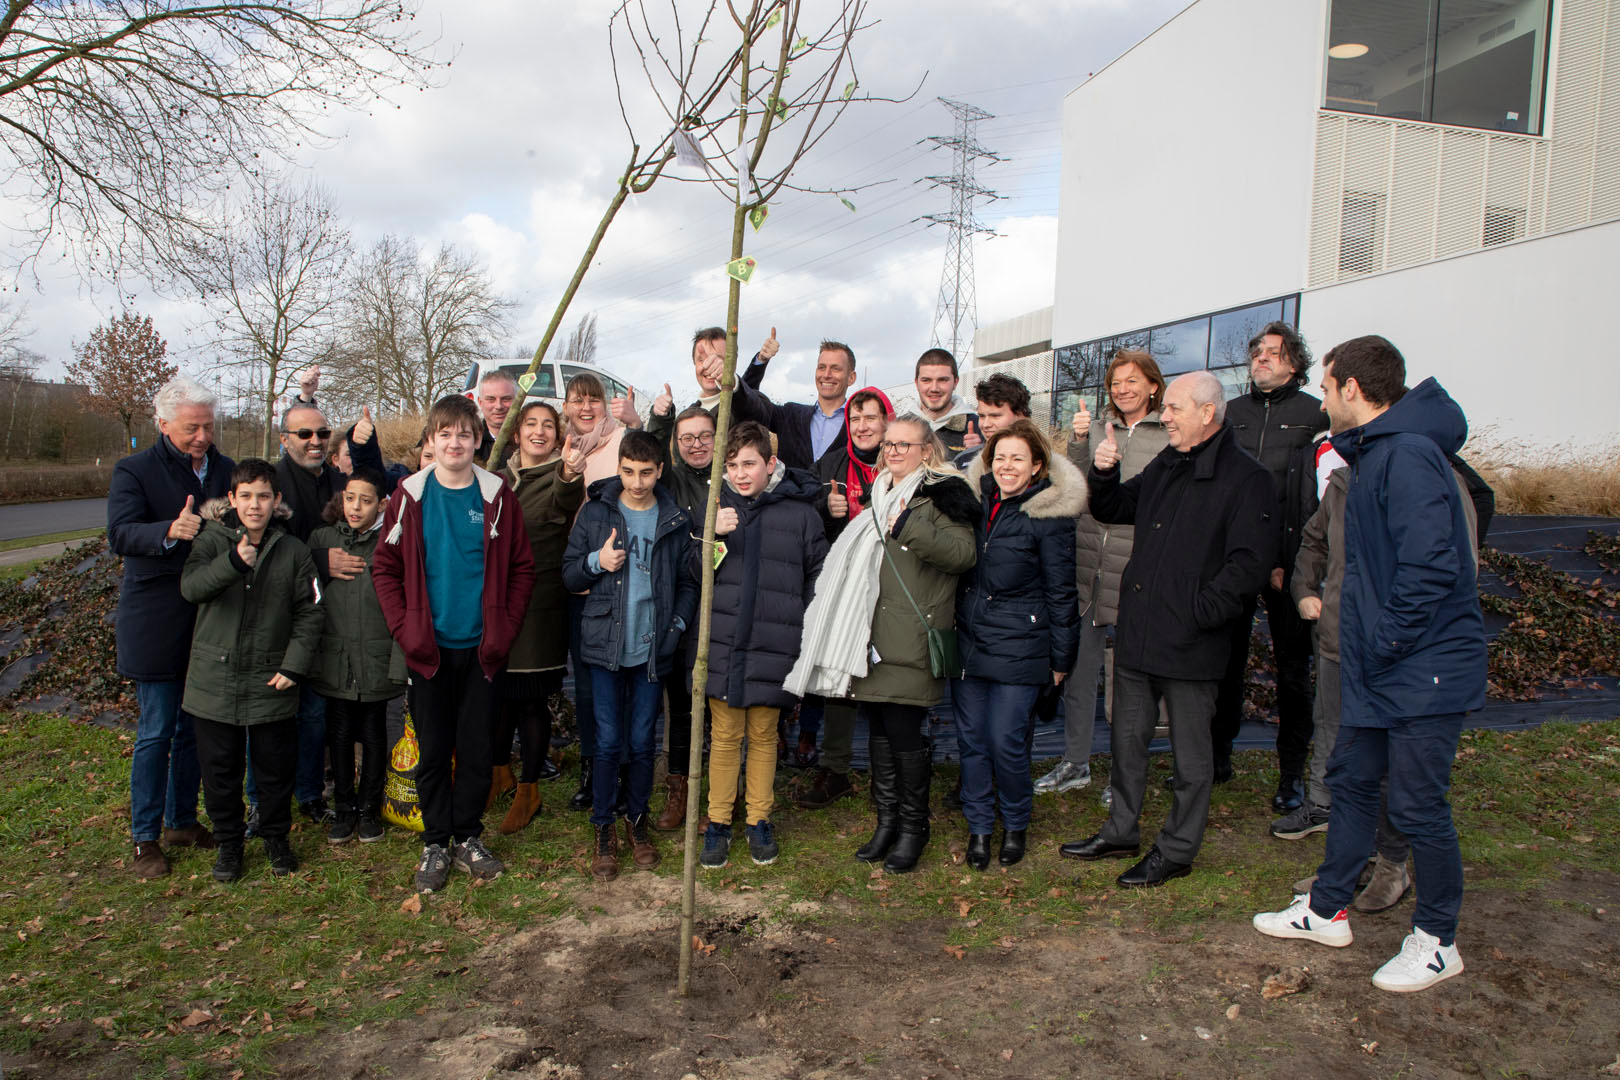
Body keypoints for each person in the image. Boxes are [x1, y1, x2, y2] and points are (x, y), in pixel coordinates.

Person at [1254, 337, 1486, 994]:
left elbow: (1432, 567)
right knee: (1352, 782)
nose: (1323, 400)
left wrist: (1381, 643)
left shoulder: (1407, 456)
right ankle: (1327, 911)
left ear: (1353, 389)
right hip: (1379, 666)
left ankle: (1438, 940)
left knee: (1417, 806)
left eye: (1326, 388)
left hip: (1420, 668)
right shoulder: (1378, 454)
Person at [1059, 371, 1275, 888]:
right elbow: (1113, 509)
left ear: (1207, 413)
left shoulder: (1248, 479)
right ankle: (1121, 830)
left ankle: (1177, 848)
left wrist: (1200, 613)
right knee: (1127, 740)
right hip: (1139, 632)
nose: (1166, 416)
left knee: (1191, 755)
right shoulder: (1168, 464)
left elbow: (1248, 566)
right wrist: (1104, 473)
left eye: (1175, 407)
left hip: (1193, 641)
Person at [786, 414, 978, 873]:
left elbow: (963, 555)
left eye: (903, 445)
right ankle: (887, 821)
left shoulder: (945, 494)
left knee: (905, 733)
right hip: (870, 635)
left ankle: (915, 828)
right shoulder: (880, 495)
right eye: (888, 444)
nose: (892, 452)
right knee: (878, 732)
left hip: (912, 632)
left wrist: (909, 524)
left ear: (926, 451)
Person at [373, 393, 536, 893]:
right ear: (431, 441)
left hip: (483, 651)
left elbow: (522, 568)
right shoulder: (408, 496)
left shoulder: (497, 496)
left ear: (478, 439)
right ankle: (436, 842)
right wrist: (406, 630)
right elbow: (385, 567)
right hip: (428, 651)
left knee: (477, 747)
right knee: (434, 748)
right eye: (445, 434)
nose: (455, 442)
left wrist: (503, 632)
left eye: (464, 433)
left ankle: (467, 836)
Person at [108, 376, 235, 878]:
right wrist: (167, 530)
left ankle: (182, 820)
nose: (202, 436)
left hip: (210, 618)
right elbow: (119, 532)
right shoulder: (134, 470)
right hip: (157, 618)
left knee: (192, 729)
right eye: (191, 428)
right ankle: (145, 837)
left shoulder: (224, 470)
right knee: (157, 729)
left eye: (207, 426)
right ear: (162, 425)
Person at [562, 430, 699, 882]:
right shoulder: (598, 510)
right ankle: (603, 827)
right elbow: (567, 573)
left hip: (651, 649)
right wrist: (597, 562)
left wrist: (676, 628)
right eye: (627, 472)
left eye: (645, 472)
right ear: (617, 468)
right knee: (605, 741)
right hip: (604, 645)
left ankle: (636, 821)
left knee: (641, 741)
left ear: (660, 471)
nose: (636, 482)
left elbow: (686, 582)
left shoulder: (673, 519)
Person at [180, 458, 323, 881]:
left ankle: (277, 837)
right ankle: (229, 844)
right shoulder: (210, 541)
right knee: (220, 771)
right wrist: (235, 563)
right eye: (246, 496)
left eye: (263, 496)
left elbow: (311, 612)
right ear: (232, 499)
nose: (255, 505)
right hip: (214, 680)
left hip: (270, 680)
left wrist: (293, 666)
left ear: (276, 501)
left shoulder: (293, 551)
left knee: (274, 769)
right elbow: (192, 588)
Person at [696, 422, 828, 869]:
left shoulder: (800, 514)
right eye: (731, 465)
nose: (739, 474)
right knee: (727, 736)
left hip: (775, 643)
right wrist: (712, 537)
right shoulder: (714, 508)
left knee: (765, 735)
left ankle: (758, 819)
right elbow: (695, 575)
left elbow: (818, 575)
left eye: (748, 464)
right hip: (725, 642)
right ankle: (717, 822)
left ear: (771, 464)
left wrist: (802, 626)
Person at [1038, 351, 1170, 797]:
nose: (1122, 389)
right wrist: (1078, 445)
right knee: (1077, 670)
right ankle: (1076, 761)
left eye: (1132, 381)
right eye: (1115, 382)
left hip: (1135, 570)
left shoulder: (1169, 436)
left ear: (1153, 385)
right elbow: (1075, 486)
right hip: (1088, 566)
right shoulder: (1096, 428)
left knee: (1128, 682)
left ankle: (1124, 772)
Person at [954, 420, 1082, 869]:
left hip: (1021, 645)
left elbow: (1062, 592)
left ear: (1037, 466)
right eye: (1000, 457)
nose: (1007, 466)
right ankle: (980, 828)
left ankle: (1015, 823)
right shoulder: (972, 503)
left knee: (1005, 740)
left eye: (1018, 459)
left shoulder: (1049, 516)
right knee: (971, 740)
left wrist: (1062, 658)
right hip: (970, 643)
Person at [1216, 322, 1329, 807]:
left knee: (1291, 670)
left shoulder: (1315, 415)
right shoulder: (1230, 413)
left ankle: (1291, 775)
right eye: (1256, 353)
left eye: (1272, 353)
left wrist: (1295, 564)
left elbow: (1322, 498)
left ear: (1294, 363)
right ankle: (1217, 755)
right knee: (1224, 662)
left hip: (1290, 561)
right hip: (1234, 557)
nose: (1261, 359)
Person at [274, 398, 386, 825]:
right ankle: (298, 799)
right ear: (285, 440)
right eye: (304, 434)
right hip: (304, 625)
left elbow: (374, 478)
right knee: (304, 719)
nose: (315, 440)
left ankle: (320, 797)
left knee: (328, 721)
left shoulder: (334, 479)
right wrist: (320, 561)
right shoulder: (280, 483)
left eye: (322, 433)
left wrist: (365, 443)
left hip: (355, 641)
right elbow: (279, 555)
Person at [490, 402, 586, 833]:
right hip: (494, 603)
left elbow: (567, 495)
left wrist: (569, 472)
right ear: (516, 433)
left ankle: (530, 789)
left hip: (539, 605)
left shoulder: (557, 475)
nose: (540, 431)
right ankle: (499, 773)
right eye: (531, 424)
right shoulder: (496, 477)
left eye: (549, 425)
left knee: (529, 697)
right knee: (499, 695)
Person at [307, 467, 406, 844]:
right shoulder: (323, 538)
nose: (355, 507)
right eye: (350, 498)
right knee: (341, 733)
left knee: (374, 732)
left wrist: (399, 662)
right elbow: (301, 586)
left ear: (381, 505)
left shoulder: (391, 540)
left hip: (377, 657)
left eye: (365, 501)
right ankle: (344, 808)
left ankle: (369, 808)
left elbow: (404, 600)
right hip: (336, 658)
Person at [560, 371, 630, 811]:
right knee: (584, 685)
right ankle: (590, 764)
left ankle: (619, 764)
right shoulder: (559, 447)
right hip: (576, 579)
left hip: (615, 577)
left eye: (594, 400)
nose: (586, 408)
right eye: (577, 400)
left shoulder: (621, 440)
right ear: (565, 406)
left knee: (618, 680)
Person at [736, 339, 860, 471]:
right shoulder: (790, 415)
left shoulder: (860, 426)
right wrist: (760, 362)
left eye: (835, 369)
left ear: (851, 378)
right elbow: (750, 404)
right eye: (822, 367)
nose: (827, 375)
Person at [899, 348, 980, 458]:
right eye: (926, 380)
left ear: (955, 382)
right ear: (916, 383)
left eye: (942, 380)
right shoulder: (899, 427)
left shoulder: (979, 427)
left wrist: (980, 455)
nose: (934, 388)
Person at [951, 372, 1029, 470]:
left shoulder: (1043, 460)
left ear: (1020, 415)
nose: (986, 424)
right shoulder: (962, 461)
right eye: (982, 416)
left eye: (995, 416)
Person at [474, 369, 519, 469]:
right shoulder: (472, 442)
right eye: (491, 399)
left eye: (506, 399)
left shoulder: (528, 441)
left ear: (517, 401)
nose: (498, 406)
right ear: (480, 402)